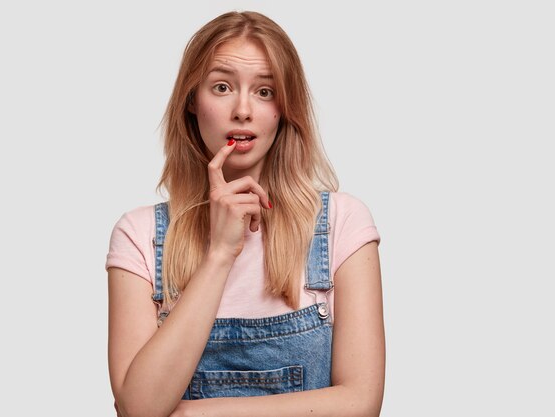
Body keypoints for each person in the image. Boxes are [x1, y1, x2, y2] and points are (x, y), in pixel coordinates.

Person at [105, 10, 385, 417]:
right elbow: (139, 409)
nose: (243, 110)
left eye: (265, 91)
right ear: (191, 102)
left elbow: (360, 403)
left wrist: (191, 414)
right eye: (221, 87)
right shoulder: (140, 236)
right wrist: (219, 253)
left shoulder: (342, 223)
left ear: (284, 110)